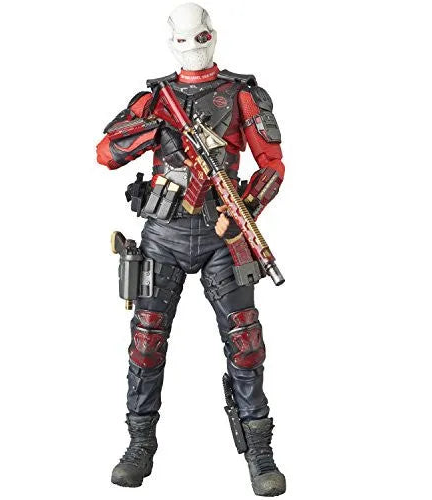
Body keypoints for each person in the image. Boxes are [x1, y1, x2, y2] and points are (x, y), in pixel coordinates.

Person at [96, 3, 287, 496]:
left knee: (245, 343)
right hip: (163, 234)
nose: (193, 47)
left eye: (199, 36)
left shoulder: (241, 94)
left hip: (224, 237)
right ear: (171, 42)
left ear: (212, 35)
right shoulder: (155, 99)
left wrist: (243, 211)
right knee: (146, 342)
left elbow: (271, 166)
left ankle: (260, 452)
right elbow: (106, 153)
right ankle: (139, 445)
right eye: (182, 39)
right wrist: (157, 129)